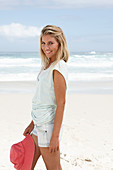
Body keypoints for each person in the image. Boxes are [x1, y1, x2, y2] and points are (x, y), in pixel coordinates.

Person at [23, 25, 69, 170]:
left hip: (48, 127)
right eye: (43, 43)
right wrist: (32, 123)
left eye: (50, 43)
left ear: (59, 44)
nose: (46, 47)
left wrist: (54, 137)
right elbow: (43, 100)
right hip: (39, 125)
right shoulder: (47, 66)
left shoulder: (58, 67)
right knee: (25, 166)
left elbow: (60, 103)